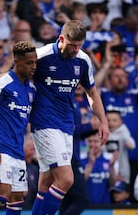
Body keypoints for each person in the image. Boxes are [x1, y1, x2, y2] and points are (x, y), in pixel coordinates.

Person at [29, 20, 109, 215]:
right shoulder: (42, 56)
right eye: (72, 45)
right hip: (44, 122)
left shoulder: (82, 60)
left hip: (67, 124)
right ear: (61, 38)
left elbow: (92, 92)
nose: (76, 50)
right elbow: (14, 75)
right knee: (66, 179)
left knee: (47, 181)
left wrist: (103, 121)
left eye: (80, 45)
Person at [0, 41, 37, 215]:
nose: (33, 67)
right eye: (29, 63)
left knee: (17, 199)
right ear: (17, 62)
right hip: (0, 148)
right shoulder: (1, 84)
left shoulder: (31, 90)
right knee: (2, 195)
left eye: (35, 62)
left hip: (18, 151)